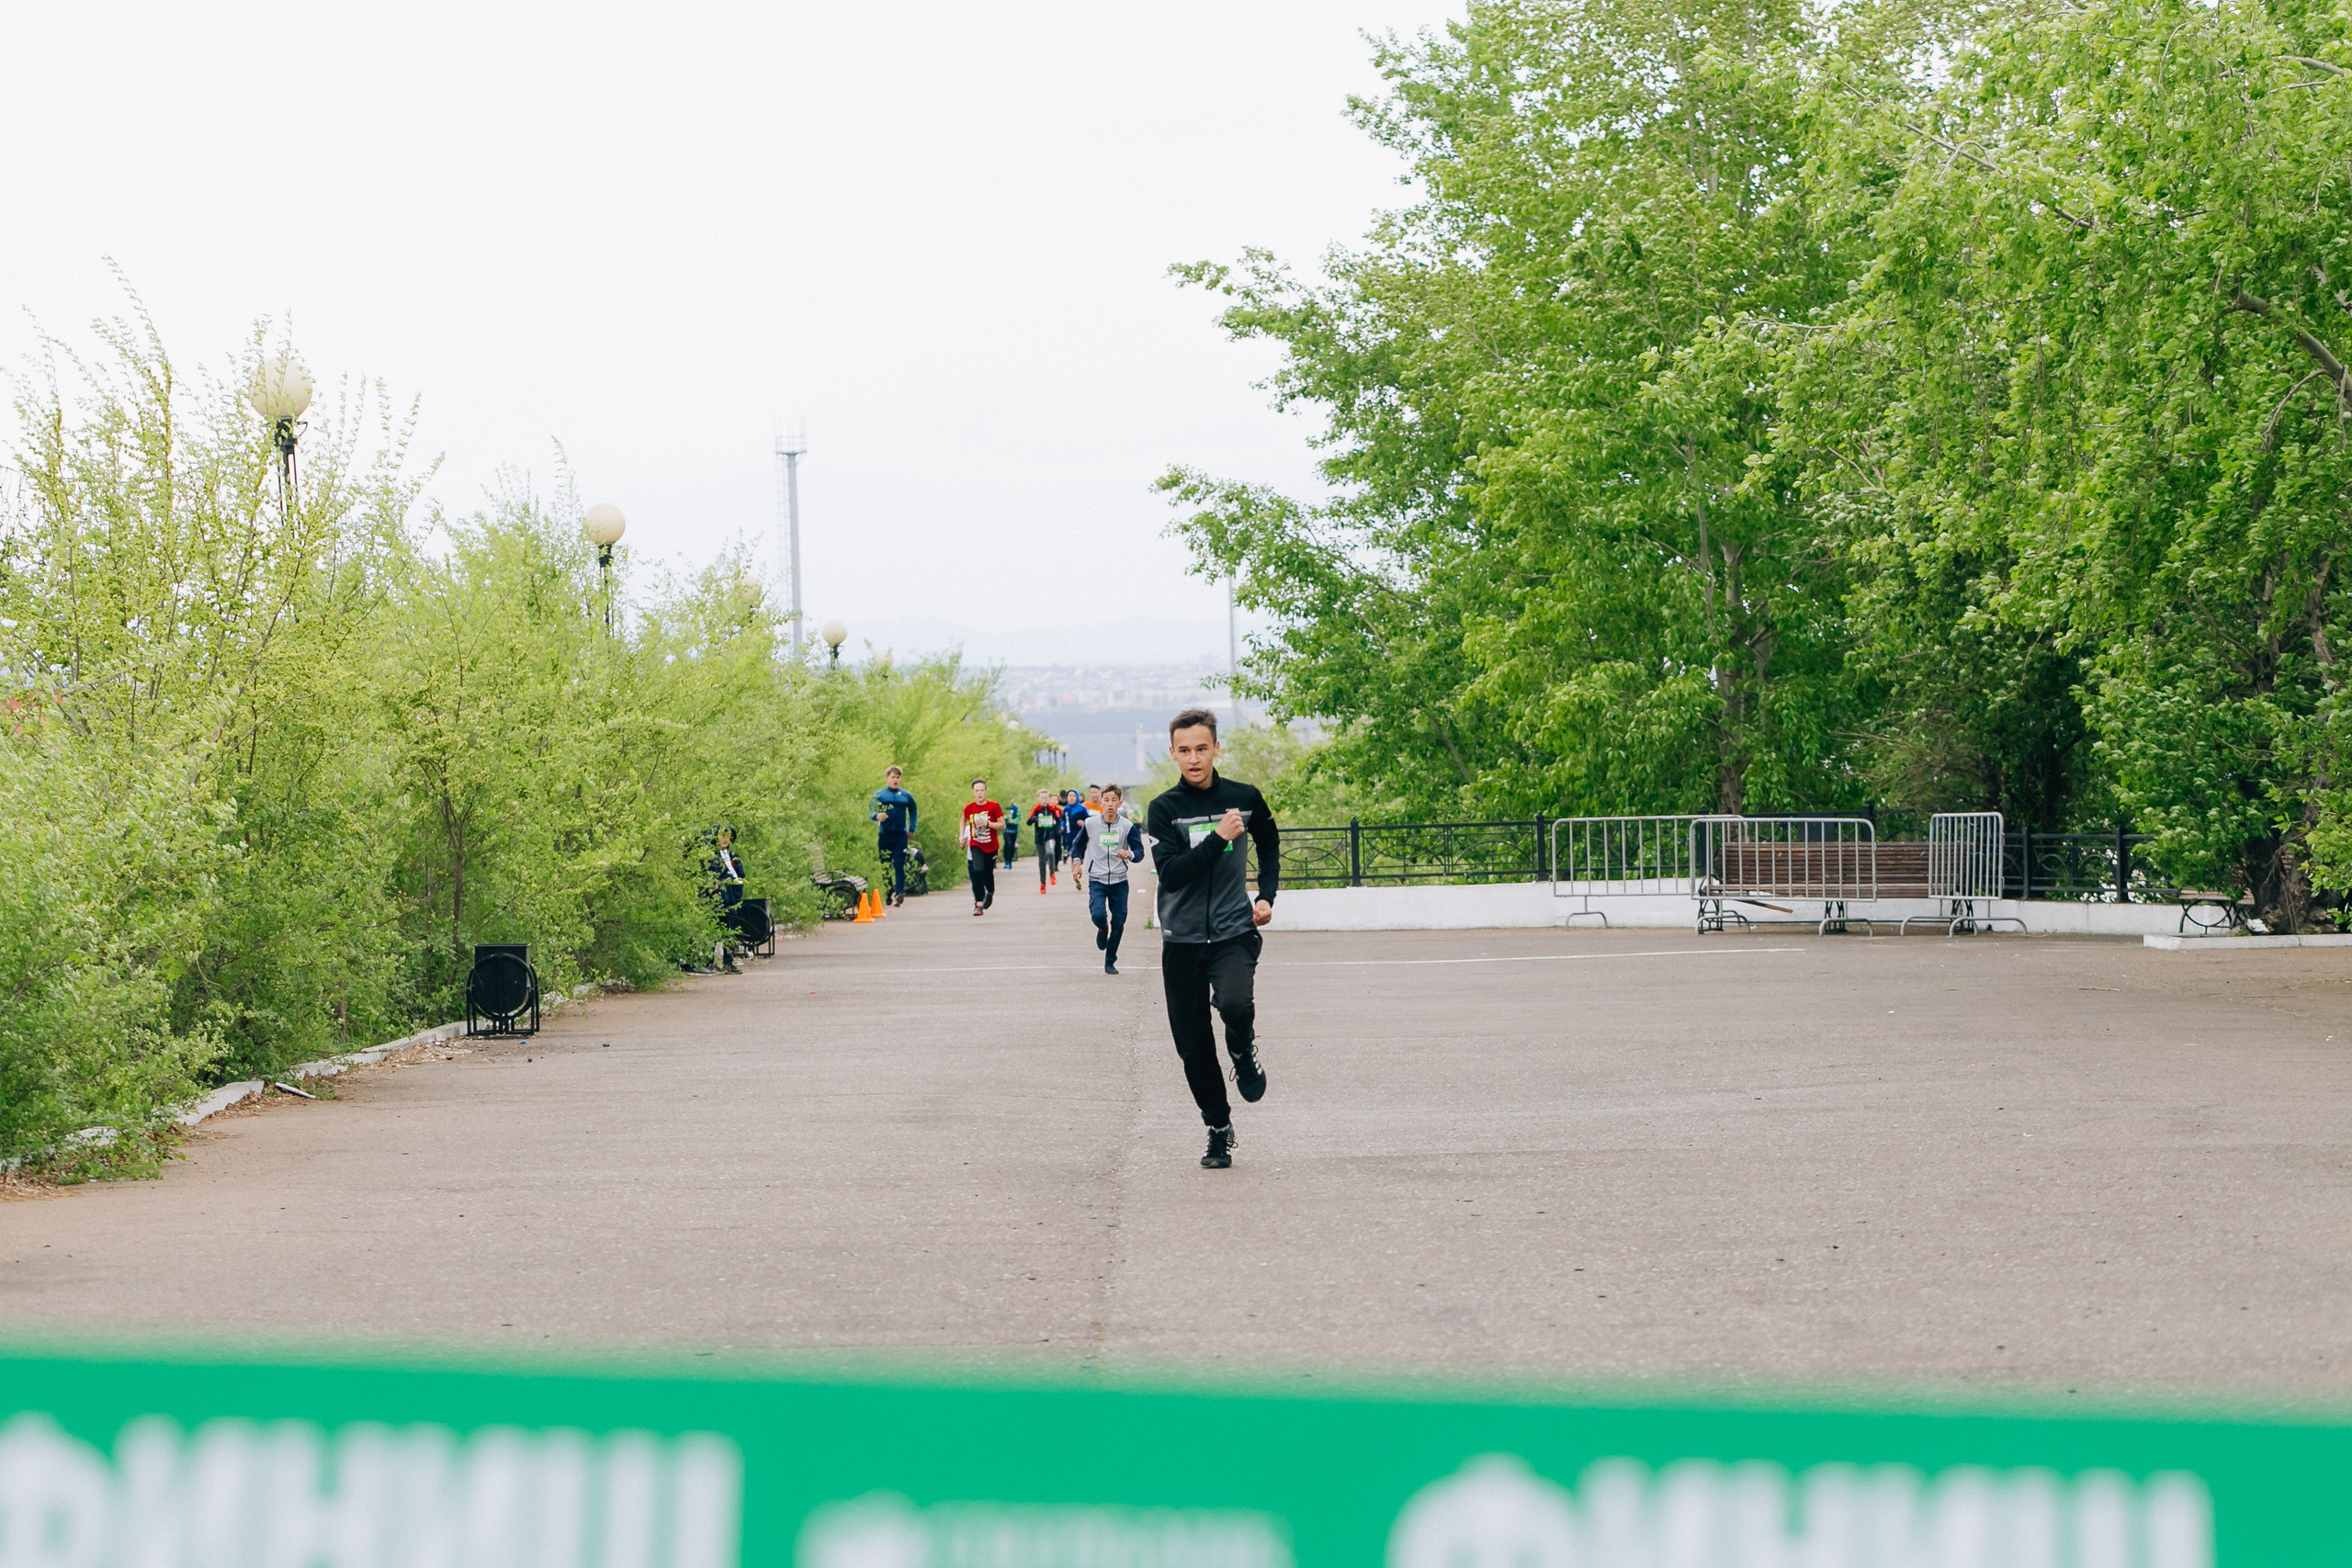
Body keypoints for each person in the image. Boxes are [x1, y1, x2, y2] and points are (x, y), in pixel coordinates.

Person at [1147, 709, 1278, 1169]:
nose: (1194, 758)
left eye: (1202, 748)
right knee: (1193, 1046)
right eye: (1184, 750)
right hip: (1181, 942)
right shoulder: (1164, 809)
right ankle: (1219, 1128)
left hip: (1233, 932)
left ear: (1216, 748)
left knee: (1237, 1005)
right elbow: (1173, 875)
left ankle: (1242, 1049)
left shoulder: (1243, 797)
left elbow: (1269, 838)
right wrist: (1219, 838)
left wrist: (1266, 895)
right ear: (1173, 753)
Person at [1075, 784, 1146, 974]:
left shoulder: (1127, 826)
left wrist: (1129, 854)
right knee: (1098, 915)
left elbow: (1140, 852)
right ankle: (1102, 929)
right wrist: (1076, 863)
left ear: (1120, 802)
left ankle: (1110, 961)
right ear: (1101, 802)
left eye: (1114, 800)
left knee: (1119, 922)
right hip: (1097, 879)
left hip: (1119, 881)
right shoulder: (1090, 824)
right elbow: (1077, 846)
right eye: (1106, 800)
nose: (1110, 804)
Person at [871, 766, 918, 907]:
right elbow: (870, 811)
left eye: (898, 777)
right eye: (893, 777)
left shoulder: (906, 796)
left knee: (899, 864)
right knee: (885, 865)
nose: (895, 780)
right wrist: (877, 816)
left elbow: (913, 811)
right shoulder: (879, 795)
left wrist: (912, 828)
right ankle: (888, 890)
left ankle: (899, 892)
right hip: (885, 834)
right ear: (887, 778)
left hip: (900, 835)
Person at [707, 826, 749, 975]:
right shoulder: (711, 856)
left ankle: (728, 961)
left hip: (731, 897)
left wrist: (737, 889)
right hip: (717, 898)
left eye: (727, 836)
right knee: (713, 930)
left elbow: (740, 874)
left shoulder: (732, 855)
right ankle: (709, 961)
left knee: (729, 930)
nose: (725, 839)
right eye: (722, 835)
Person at [960, 778, 1004, 916]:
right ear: (973, 792)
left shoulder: (993, 806)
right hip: (976, 844)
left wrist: (987, 824)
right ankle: (978, 903)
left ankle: (990, 892)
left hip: (991, 846)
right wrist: (962, 836)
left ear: (986, 791)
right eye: (977, 791)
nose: (979, 793)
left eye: (982, 790)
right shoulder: (969, 808)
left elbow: (1002, 825)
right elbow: (963, 819)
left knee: (987, 873)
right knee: (977, 869)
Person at [1027, 789, 1064, 893]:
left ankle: (1052, 872)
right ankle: (1042, 883)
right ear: (1038, 799)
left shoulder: (1052, 809)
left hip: (1050, 837)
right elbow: (1028, 822)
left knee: (1051, 852)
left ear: (1049, 799)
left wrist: (1056, 826)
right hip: (1039, 839)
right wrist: (1035, 819)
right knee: (1042, 860)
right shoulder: (1036, 809)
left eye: (1046, 798)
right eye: (1042, 798)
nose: (1044, 800)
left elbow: (1059, 820)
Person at [1062, 787, 1091, 889]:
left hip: (1081, 837)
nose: (1071, 798)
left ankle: (1079, 865)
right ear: (1066, 797)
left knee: (1080, 859)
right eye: (1069, 796)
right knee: (1073, 857)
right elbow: (1063, 820)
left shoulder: (1082, 808)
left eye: (1074, 796)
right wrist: (1062, 826)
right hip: (1069, 836)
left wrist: (1083, 823)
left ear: (1077, 797)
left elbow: (1089, 820)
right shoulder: (1065, 809)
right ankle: (1075, 879)